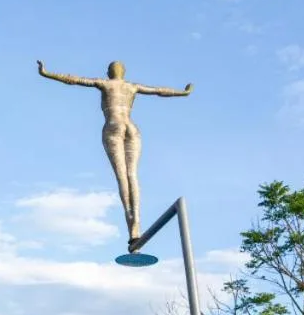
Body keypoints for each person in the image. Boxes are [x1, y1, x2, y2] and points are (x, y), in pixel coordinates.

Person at [37, 60, 192, 243]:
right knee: (132, 175)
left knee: (122, 177)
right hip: (131, 128)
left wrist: (46, 73)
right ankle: (137, 224)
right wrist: (183, 93)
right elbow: (159, 91)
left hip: (114, 127)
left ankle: (133, 228)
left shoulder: (104, 83)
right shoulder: (132, 86)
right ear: (123, 72)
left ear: (109, 72)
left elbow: (73, 79)